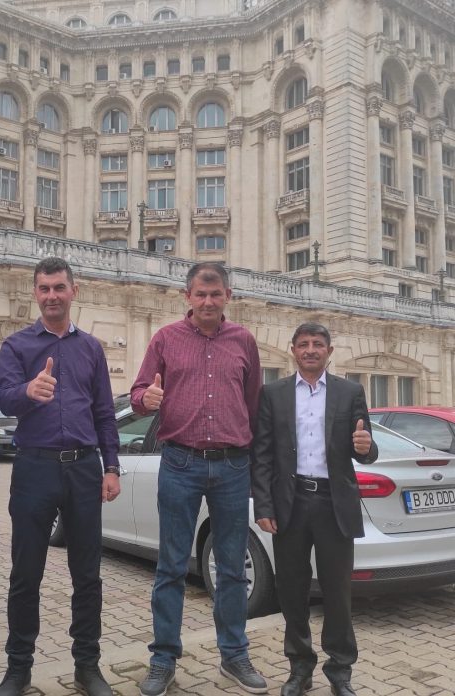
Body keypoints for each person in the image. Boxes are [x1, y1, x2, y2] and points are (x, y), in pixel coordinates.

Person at [131, 262, 268, 696]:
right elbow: (137, 396)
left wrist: (256, 468)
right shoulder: (165, 339)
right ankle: (163, 660)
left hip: (232, 467)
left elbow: (253, 407)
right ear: (187, 296)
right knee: (171, 566)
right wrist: (147, 398)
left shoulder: (243, 341)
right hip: (180, 464)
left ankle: (234, 655)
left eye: (216, 294)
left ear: (228, 296)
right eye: (200, 294)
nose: (208, 302)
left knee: (231, 567)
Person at [0, 257, 120, 696]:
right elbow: (4, 399)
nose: (52, 296)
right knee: (26, 573)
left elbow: (105, 413)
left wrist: (111, 467)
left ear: (73, 291)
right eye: (44, 288)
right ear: (36, 293)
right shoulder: (16, 346)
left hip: (84, 468)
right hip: (35, 466)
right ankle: (18, 669)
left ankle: (87, 666)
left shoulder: (92, 349)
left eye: (59, 288)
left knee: (87, 574)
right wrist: (28, 391)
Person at [252, 322, 378, 696]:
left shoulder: (349, 392)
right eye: (304, 344)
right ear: (293, 350)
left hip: (332, 503)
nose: (311, 349)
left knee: (337, 592)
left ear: (329, 351)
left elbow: (366, 449)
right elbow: (262, 454)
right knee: (292, 591)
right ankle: (300, 668)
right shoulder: (272, 394)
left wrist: (365, 447)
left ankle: (340, 672)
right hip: (289, 504)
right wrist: (263, 504)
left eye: (318, 344)